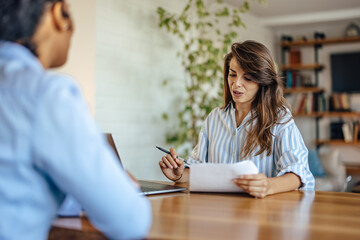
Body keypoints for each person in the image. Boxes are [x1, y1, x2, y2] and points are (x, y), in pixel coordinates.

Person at [0, 0, 151, 239]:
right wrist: (122, 187)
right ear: (59, 13)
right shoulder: (45, 95)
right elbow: (131, 221)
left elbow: (18, 185)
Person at [159, 40, 315, 198]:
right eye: (232, 74)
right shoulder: (214, 118)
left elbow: (298, 173)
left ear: (263, 82)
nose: (236, 84)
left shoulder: (280, 119)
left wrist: (268, 186)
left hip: (262, 214)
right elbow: (197, 170)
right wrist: (178, 174)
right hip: (219, 213)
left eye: (247, 78)